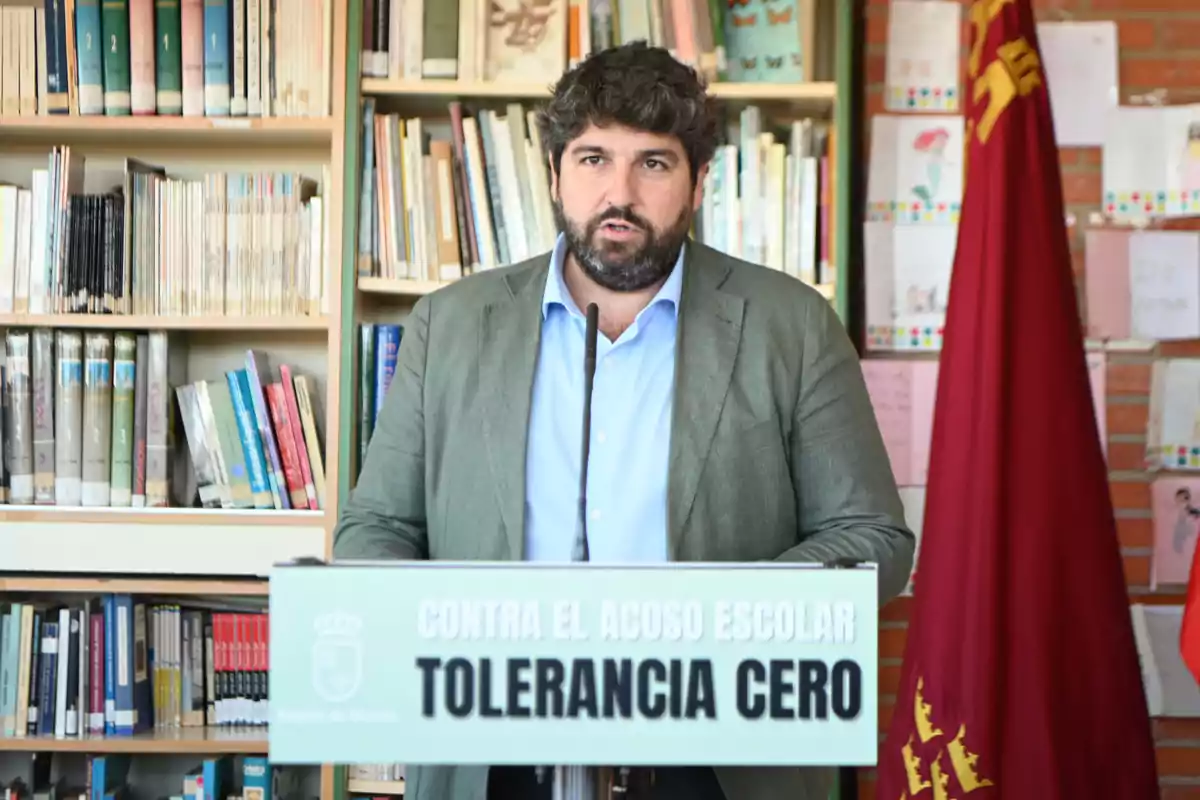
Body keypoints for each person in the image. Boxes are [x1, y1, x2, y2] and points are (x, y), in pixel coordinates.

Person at [333, 40, 915, 800]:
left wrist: (737, 618)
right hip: (492, 749)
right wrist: (436, 633)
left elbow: (873, 538)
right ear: (554, 174)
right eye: (593, 159)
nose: (621, 192)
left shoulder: (793, 324)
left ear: (698, 182)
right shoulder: (449, 325)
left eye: (654, 163)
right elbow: (374, 528)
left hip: (717, 755)